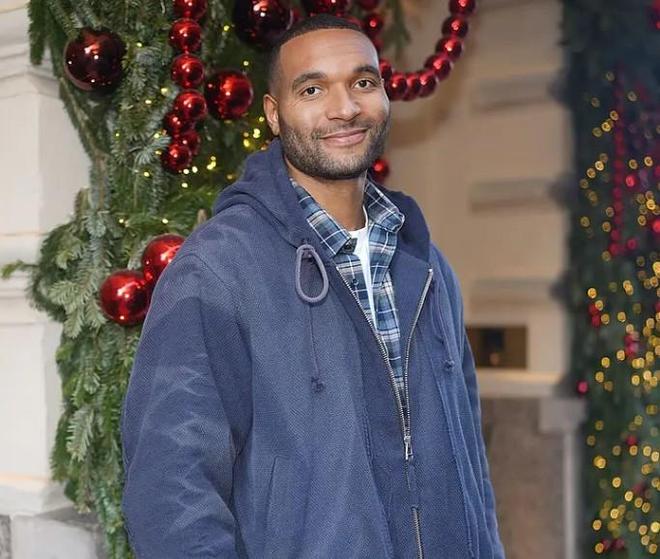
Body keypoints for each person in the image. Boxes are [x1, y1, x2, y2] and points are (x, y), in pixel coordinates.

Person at [120, 13, 506, 559]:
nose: (344, 108)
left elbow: (471, 465)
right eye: (312, 89)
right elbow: (171, 492)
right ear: (274, 114)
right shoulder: (218, 267)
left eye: (363, 82)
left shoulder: (426, 266)